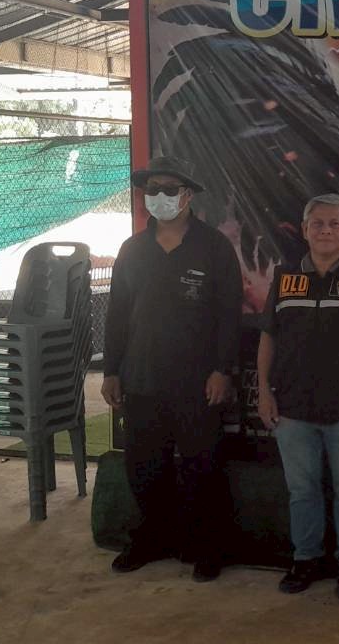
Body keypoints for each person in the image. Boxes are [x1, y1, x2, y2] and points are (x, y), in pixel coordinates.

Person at [101, 156, 242, 581]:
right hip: (141, 377)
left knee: (203, 465)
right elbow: (116, 314)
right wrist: (111, 370)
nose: (159, 196)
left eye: (168, 189)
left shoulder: (215, 247)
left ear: (188, 195)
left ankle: (207, 547)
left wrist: (222, 370)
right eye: (152, 189)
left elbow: (229, 316)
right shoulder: (132, 250)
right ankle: (152, 538)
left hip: (198, 382)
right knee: (144, 466)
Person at [257, 194, 339, 599]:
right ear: (304, 229)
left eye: (335, 224)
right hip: (291, 407)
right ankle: (306, 559)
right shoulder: (284, 277)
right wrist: (263, 391)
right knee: (302, 490)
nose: (326, 231)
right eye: (318, 223)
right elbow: (268, 337)